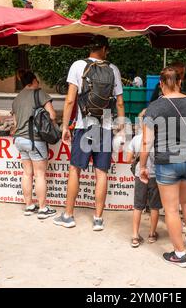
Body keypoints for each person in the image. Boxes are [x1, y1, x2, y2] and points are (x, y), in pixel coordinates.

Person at [54, 35, 125, 231]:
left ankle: (68, 215)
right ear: (104, 49)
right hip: (106, 126)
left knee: (75, 169)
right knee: (101, 172)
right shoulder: (113, 69)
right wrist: (120, 125)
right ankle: (98, 219)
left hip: (84, 125)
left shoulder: (78, 65)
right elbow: (119, 101)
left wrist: (65, 126)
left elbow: (70, 100)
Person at [141, 66, 186, 268]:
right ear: (180, 82)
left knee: (170, 209)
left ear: (160, 84)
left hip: (167, 162)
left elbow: (146, 142)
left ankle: (180, 254)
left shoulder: (154, 108)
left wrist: (142, 165)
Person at [12, 71, 57, 219]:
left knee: (26, 173)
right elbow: (52, 115)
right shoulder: (39, 93)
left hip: (19, 139)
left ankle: (29, 205)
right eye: (37, 80)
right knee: (39, 175)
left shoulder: (17, 98)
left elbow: (15, 123)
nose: (39, 83)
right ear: (33, 81)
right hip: (34, 140)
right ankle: (43, 209)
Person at [126, 109, 162, 247]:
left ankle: (135, 235)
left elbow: (128, 158)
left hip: (140, 175)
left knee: (138, 206)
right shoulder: (158, 139)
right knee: (154, 207)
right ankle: (152, 234)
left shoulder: (136, 139)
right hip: (155, 175)